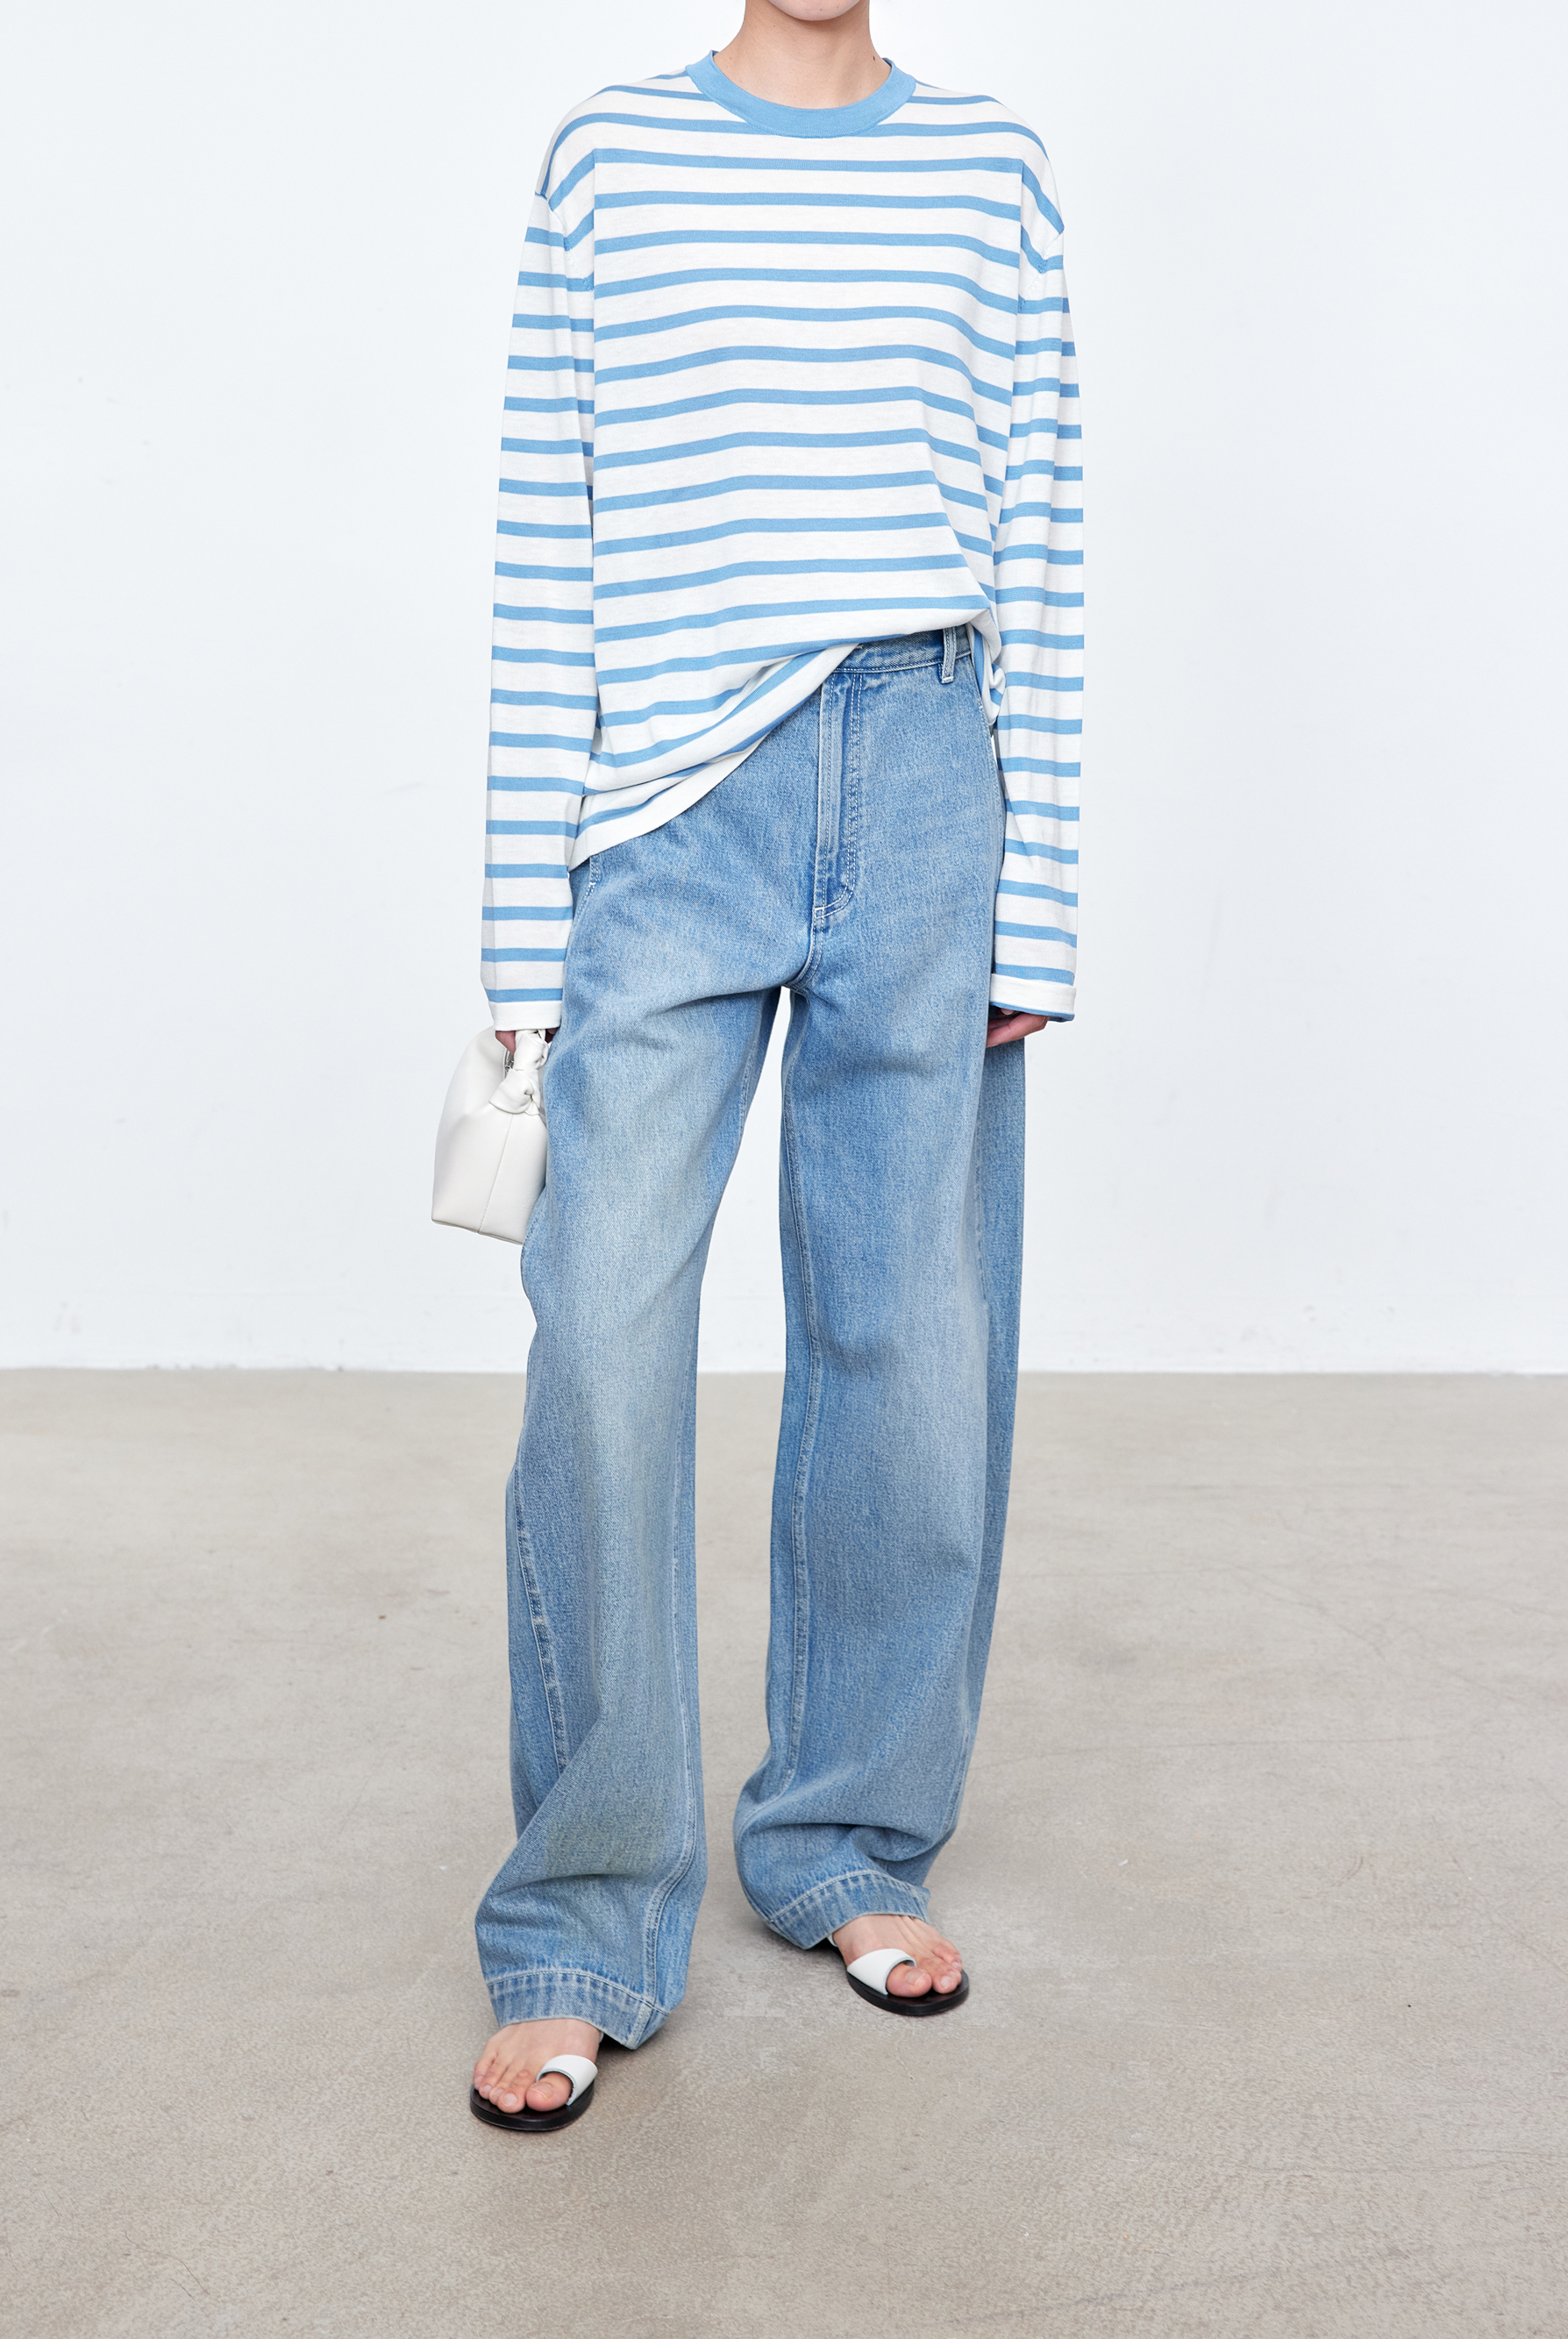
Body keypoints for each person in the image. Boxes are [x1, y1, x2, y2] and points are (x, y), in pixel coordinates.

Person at [468, 0, 1080, 2131]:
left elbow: (1040, 548)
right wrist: (515, 934)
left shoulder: (992, 169)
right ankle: (578, 1913)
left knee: (907, 1337)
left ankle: (846, 1833)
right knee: (602, 1336)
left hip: (925, 775)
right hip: (666, 813)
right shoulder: (609, 160)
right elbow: (547, 553)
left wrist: (1038, 897)